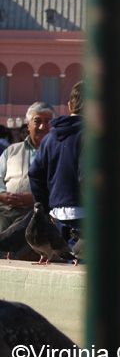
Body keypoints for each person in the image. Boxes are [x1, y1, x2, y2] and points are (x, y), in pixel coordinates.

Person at [29, 81, 85, 246]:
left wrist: (45, 209)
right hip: (85, 215)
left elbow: (34, 174)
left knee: (63, 263)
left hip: (56, 215)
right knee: (82, 265)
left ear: (69, 106)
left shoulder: (49, 138)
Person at [0, 102, 55, 234]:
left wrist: (35, 198)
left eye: (47, 121)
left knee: (16, 236)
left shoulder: (58, 152)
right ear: (28, 124)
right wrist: (2, 195)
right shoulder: (11, 150)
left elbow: (61, 185)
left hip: (36, 212)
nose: (42, 126)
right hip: (5, 210)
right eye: (37, 121)